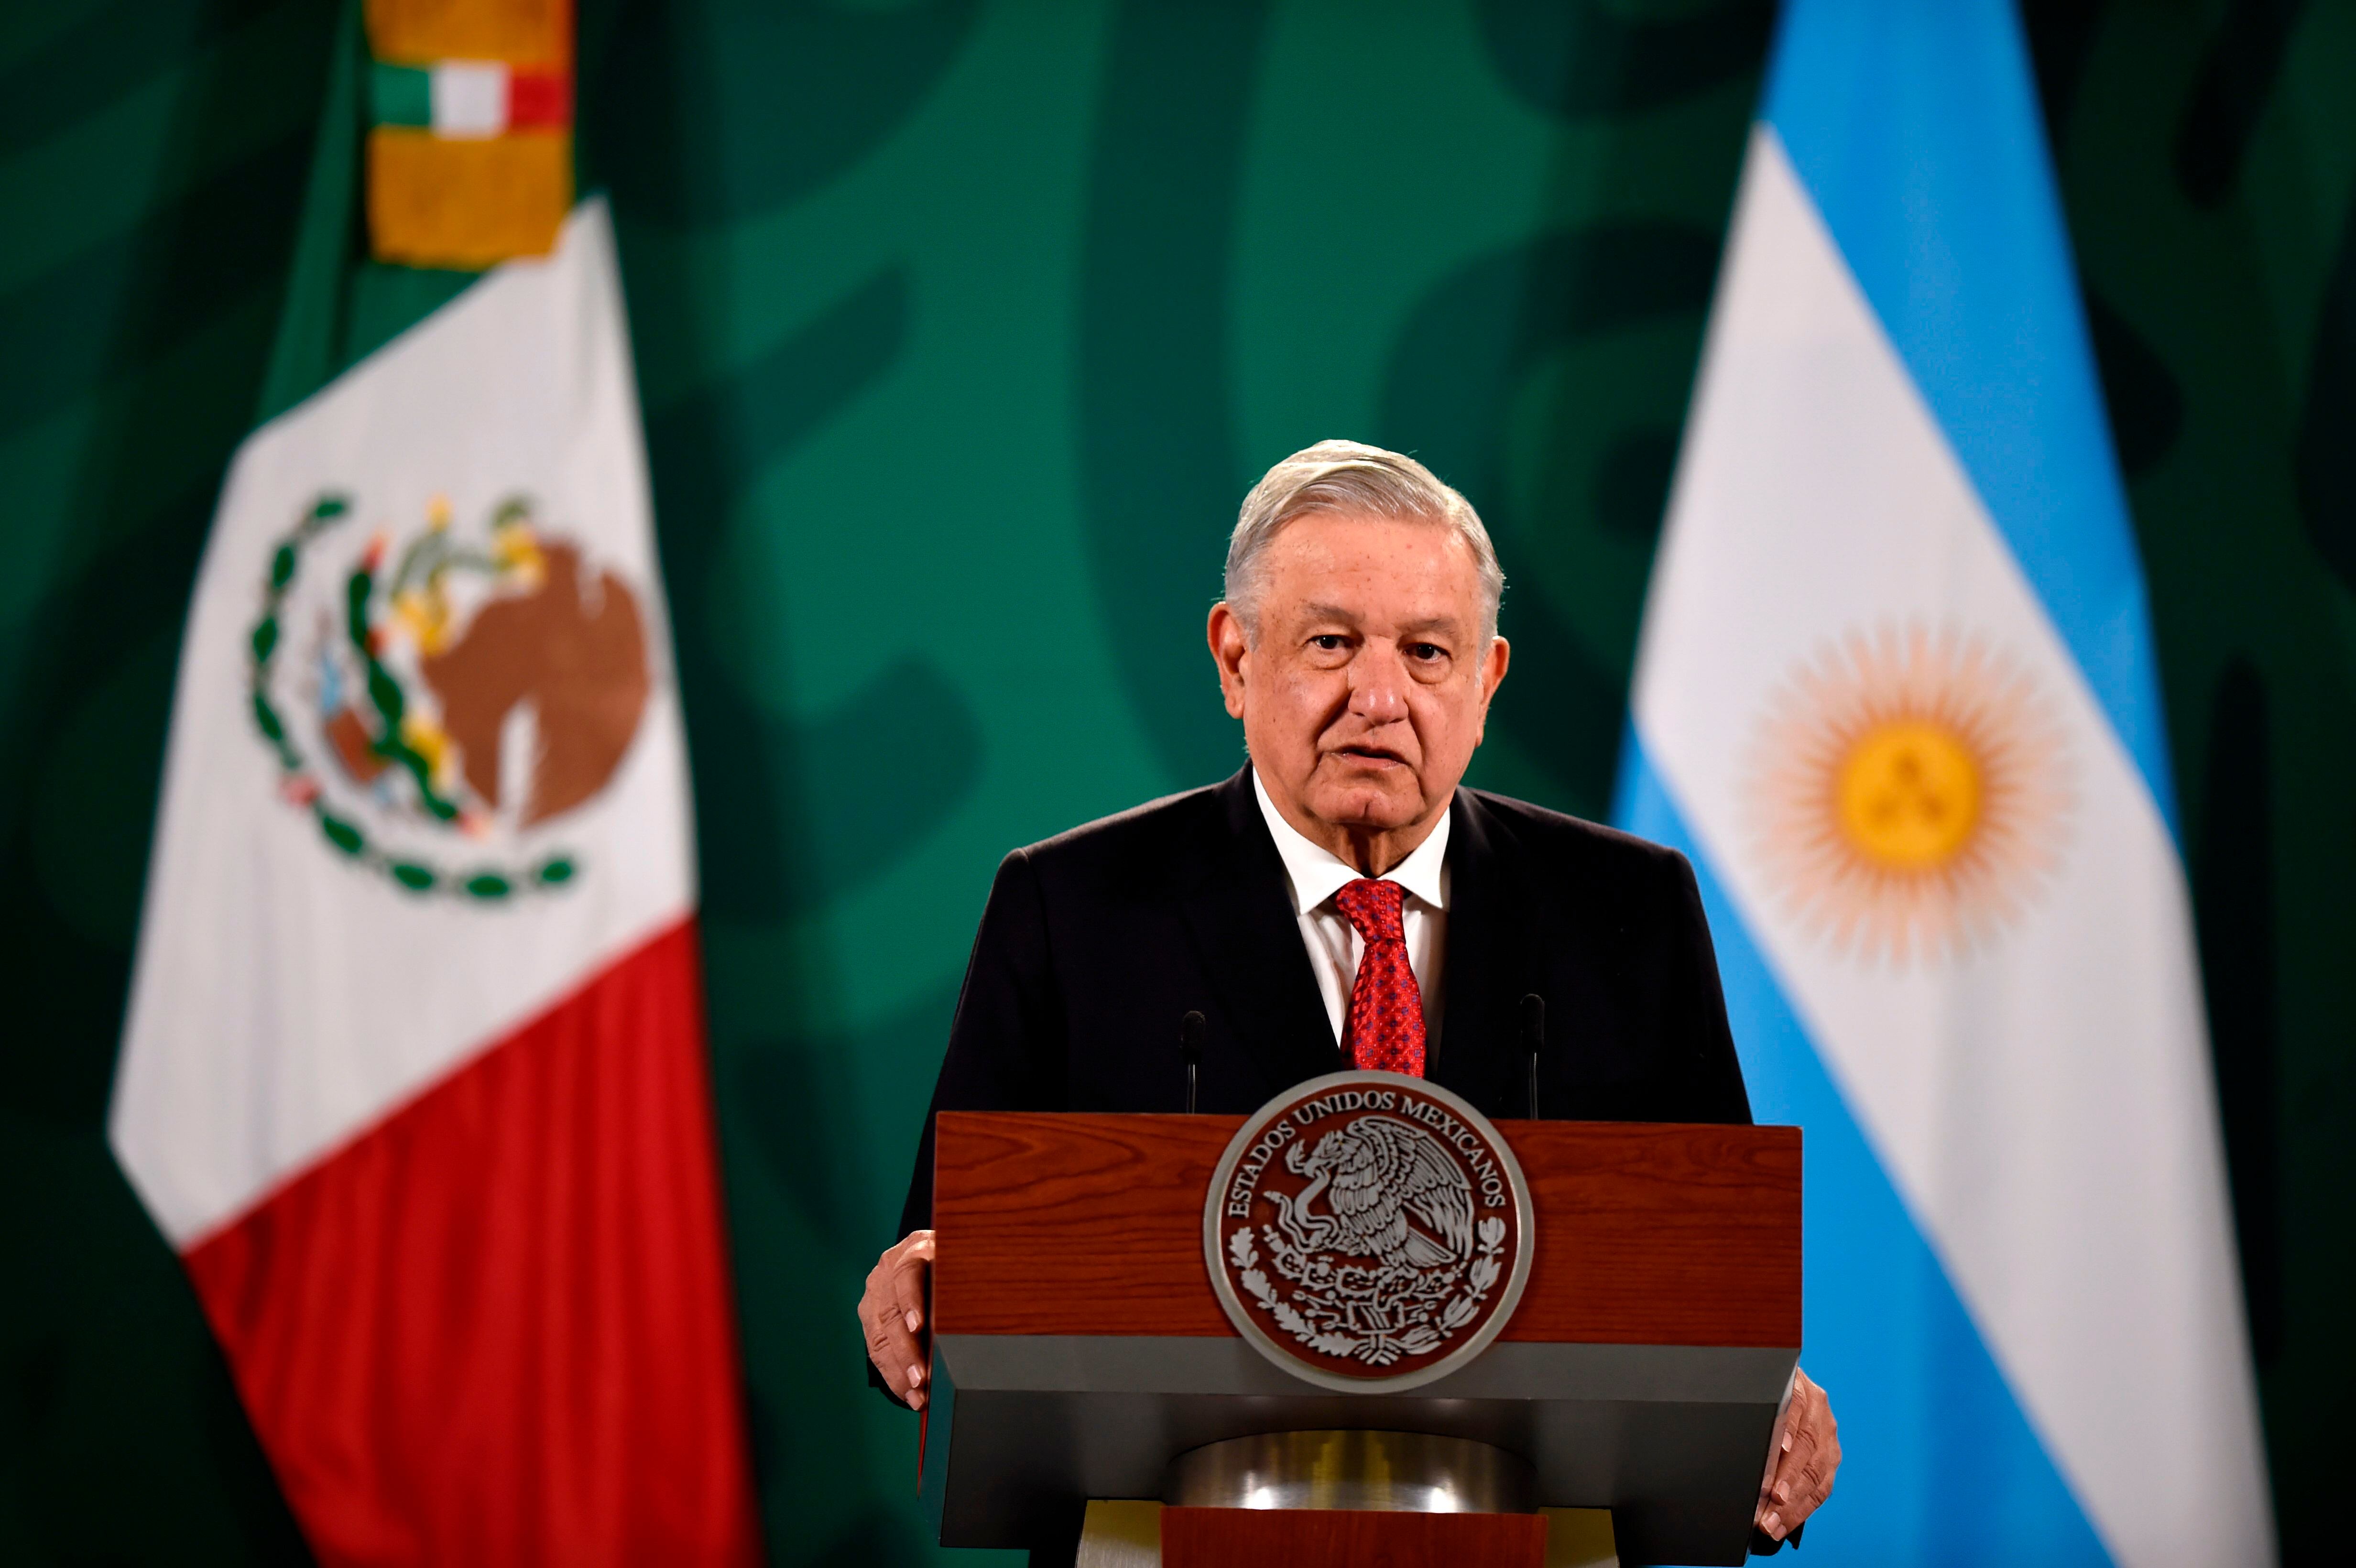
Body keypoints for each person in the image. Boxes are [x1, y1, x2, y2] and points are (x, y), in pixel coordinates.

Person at [858, 441, 1839, 1551]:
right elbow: (945, 1260)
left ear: (1486, 681)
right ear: (1234, 658)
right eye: (1331, 643)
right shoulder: (1073, 905)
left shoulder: (1627, 908)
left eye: (1427, 651)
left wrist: (1771, 1386)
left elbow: (1711, 1273)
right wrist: (926, 1278)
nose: (1379, 697)